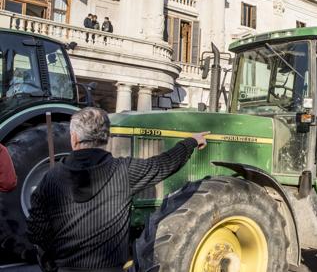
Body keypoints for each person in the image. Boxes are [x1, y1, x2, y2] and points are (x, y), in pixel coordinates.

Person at [26, 107, 209, 272]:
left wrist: (51, 265)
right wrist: (191, 141)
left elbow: (36, 231)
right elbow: (164, 164)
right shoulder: (124, 171)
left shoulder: (50, 179)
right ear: (106, 137)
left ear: (74, 138)